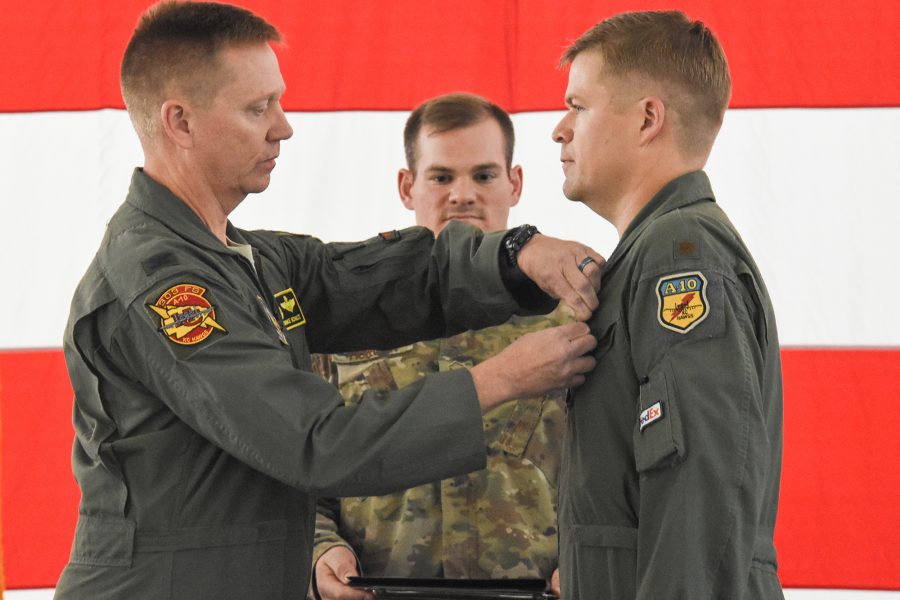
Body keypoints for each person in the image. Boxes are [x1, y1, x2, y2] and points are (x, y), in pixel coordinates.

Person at [54, 3, 605, 599]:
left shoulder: (243, 259)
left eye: (278, 102)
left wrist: (514, 254)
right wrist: (498, 380)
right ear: (180, 123)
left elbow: (381, 280)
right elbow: (315, 442)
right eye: (257, 107)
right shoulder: (164, 286)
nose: (282, 126)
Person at [551, 11, 784, 599]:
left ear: (648, 118)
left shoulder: (679, 258)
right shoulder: (652, 255)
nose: (560, 128)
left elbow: (702, 491)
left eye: (578, 106)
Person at [310, 93, 569, 600]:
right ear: (407, 186)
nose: (463, 194)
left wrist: (588, 561)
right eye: (442, 176)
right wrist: (320, 550)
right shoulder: (340, 322)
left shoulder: (571, 318)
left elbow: (615, 473)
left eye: (484, 175)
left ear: (515, 183)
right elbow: (301, 466)